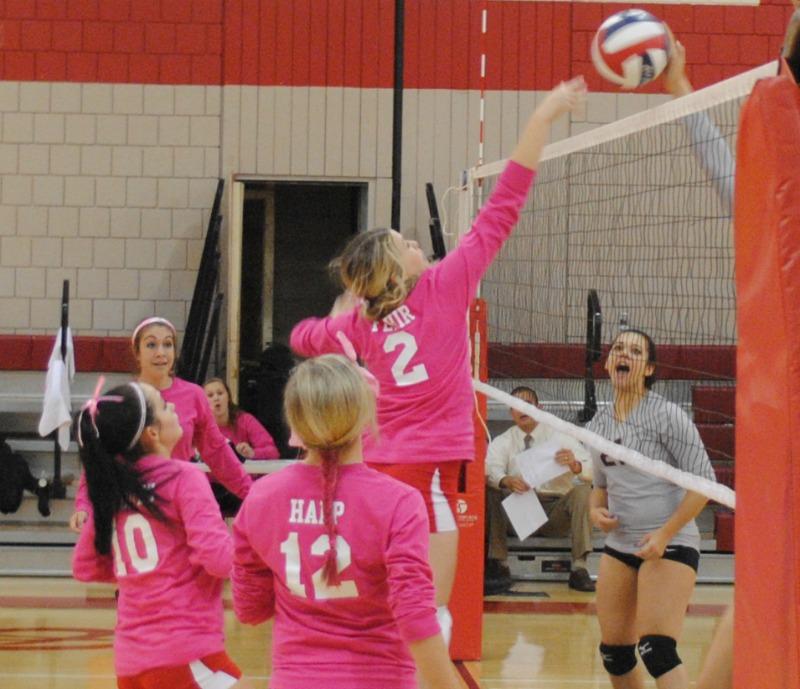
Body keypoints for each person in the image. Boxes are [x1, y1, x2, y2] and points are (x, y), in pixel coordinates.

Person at [289, 77, 588, 643]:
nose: (415, 244)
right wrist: (542, 118)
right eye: (404, 242)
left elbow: (302, 337)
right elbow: (504, 206)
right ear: (395, 271)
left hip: (372, 466)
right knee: (430, 615)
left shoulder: (356, 323)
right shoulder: (448, 285)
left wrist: (342, 314)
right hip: (421, 472)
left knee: (378, 602)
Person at [231, 354, 461, 689]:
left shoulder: (261, 497)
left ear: (294, 420)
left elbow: (250, 610)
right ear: (366, 416)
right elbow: (415, 614)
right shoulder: (399, 502)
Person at [71, 379, 248, 689]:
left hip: (131, 663)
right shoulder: (185, 478)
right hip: (186, 650)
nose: (174, 408)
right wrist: (257, 547)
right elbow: (219, 560)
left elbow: (85, 566)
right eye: (165, 406)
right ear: (151, 433)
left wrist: (147, 576)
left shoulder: (114, 488)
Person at [587, 328, 715, 689]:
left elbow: (703, 484)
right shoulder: (598, 423)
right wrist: (596, 512)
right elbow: (600, 487)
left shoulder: (667, 416)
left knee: (657, 649)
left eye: (635, 351)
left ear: (648, 368)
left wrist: (664, 534)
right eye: (618, 349)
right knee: (615, 653)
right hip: (621, 545)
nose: (623, 354)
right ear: (609, 362)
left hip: (669, 542)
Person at [70, 318, 252, 531]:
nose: (161, 352)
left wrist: (250, 492)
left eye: (168, 344)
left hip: (179, 500)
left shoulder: (194, 395)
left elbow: (217, 450)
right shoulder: (122, 398)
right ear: (136, 353)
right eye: (151, 344)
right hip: (134, 505)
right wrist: (84, 503)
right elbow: (100, 457)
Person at [485, 386, 595, 593]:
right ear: (511, 412)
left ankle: (579, 568)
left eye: (527, 404)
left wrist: (575, 465)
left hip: (556, 511)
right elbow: (490, 469)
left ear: (539, 408)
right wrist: (506, 480)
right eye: (516, 406)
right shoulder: (504, 441)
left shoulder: (560, 435)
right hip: (520, 512)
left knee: (583, 491)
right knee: (491, 490)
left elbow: (592, 470)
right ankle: (499, 564)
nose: (522, 409)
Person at [203, 377, 280, 459]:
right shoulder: (199, 427)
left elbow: (273, 452)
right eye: (210, 395)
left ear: (228, 397)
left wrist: (252, 453)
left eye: (220, 393)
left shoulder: (245, 420)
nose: (216, 398)